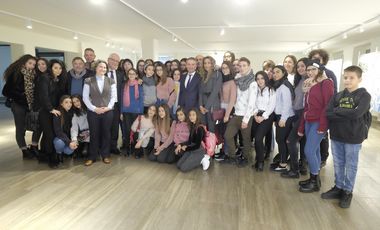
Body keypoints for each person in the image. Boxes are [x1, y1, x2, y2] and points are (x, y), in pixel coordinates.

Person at [322, 65, 371, 208]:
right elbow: (328, 112)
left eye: (352, 78)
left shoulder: (364, 96)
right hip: (336, 135)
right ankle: (338, 187)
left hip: (353, 137)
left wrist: (337, 111)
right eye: (345, 77)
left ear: (359, 79)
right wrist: (342, 112)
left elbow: (357, 114)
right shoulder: (337, 95)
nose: (347, 81)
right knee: (338, 163)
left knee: (351, 165)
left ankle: (347, 191)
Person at [297, 60, 334, 193]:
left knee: (309, 150)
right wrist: (301, 127)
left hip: (319, 122)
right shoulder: (310, 84)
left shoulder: (326, 83)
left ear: (319, 70)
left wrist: (323, 126)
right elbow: (306, 107)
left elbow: (327, 106)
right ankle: (315, 178)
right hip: (309, 121)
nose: (310, 72)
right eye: (308, 70)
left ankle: (314, 181)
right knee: (316, 150)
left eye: (313, 69)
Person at [2, 54, 39, 159]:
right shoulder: (16, 74)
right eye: (30, 63)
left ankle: (34, 147)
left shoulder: (34, 75)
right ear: (23, 63)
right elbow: (5, 91)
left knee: (36, 126)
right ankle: (24, 150)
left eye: (34, 64)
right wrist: (21, 95)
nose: (32, 66)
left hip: (31, 105)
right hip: (18, 105)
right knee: (20, 128)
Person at [224, 57, 257, 167]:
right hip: (237, 114)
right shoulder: (237, 79)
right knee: (228, 135)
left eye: (244, 65)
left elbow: (251, 103)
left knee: (246, 139)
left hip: (246, 116)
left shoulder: (253, 83)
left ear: (249, 66)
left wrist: (246, 119)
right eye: (240, 65)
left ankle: (246, 158)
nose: (242, 68)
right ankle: (232, 156)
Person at [83, 60, 117, 166]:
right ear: (95, 68)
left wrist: (108, 107)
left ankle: (105, 155)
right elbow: (85, 97)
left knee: (106, 133)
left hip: (107, 112)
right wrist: (94, 108)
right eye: (101, 67)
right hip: (93, 112)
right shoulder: (88, 80)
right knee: (94, 134)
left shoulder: (111, 81)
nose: (103, 69)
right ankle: (92, 156)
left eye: (105, 67)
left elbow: (114, 97)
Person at [309, 49, 338, 167]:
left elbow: (333, 93)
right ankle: (315, 161)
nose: (315, 61)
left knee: (323, 137)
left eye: (318, 59)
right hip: (312, 113)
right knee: (313, 144)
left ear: (323, 60)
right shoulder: (310, 73)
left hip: (323, 113)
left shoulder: (329, 74)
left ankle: (323, 158)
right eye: (313, 59)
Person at [281, 58, 309, 178]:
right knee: (301, 141)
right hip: (297, 113)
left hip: (304, 114)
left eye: (303, 66)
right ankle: (301, 167)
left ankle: (294, 170)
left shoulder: (309, 81)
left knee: (291, 140)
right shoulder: (299, 80)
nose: (300, 69)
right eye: (298, 67)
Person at [38, 59, 68, 168]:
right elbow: (43, 96)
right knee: (49, 134)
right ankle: (52, 157)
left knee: (50, 134)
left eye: (60, 68)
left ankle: (45, 154)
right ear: (51, 68)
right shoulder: (45, 78)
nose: (58, 70)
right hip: (46, 111)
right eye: (55, 68)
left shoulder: (58, 80)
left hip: (55, 111)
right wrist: (51, 109)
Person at [270, 65, 295, 172]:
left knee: (281, 140)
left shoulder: (284, 86)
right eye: (274, 72)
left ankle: (283, 164)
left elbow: (287, 104)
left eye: (278, 72)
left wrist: (283, 119)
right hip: (281, 116)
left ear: (284, 73)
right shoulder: (279, 84)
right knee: (282, 140)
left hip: (286, 116)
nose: (275, 74)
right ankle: (282, 160)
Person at [251, 71, 276, 171]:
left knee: (258, 138)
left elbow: (272, 106)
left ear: (266, 79)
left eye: (262, 78)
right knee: (256, 139)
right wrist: (256, 114)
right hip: (257, 115)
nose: (260, 81)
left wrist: (263, 116)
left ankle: (260, 162)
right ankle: (258, 159)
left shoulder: (271, 90)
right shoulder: (255, 90)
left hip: (267, 116)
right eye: (258, 79)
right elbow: (253, 103)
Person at [214, 61, 237, 161]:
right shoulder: (221, 80)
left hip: (229, 110)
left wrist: (227, 115)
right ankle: (223, 151)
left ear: (230, 68)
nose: (224, 70)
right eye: (223, 68)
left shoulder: (232, 82)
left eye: (226, 68)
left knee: (227, 134)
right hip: (221, 110)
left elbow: (232, 100)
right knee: (222, 132)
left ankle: (228, 154)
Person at [120, 68, 144, 156]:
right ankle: (127, 149)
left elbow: (141, 100)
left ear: (136, 75)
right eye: (130, 73)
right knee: (126, 131)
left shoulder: (139, 85)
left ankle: (136, 149)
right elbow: (122, 99)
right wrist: (121, 112)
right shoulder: (124, 85)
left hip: (136, 112)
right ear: (127, 75)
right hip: (126, 111)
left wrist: (141, 113)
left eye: (133, 74)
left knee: (135, 131)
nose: (131, 75)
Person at [199, 56, 223, 133]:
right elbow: (200, 92)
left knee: (212, 127)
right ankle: (205, 144)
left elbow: (215, 92)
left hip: (213, 104)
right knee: (204, 127)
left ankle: (212, 144)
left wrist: (206, 107)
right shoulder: (202, 75)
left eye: (209, 63)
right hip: (203, 105)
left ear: (212, 64)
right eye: (205, 63)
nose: (206, 65)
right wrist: (200, 105)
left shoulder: (217, 74)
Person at [107, 53, 123, 155]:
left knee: (115, 127)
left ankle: (113, 146)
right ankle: (105, 147)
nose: (115, 62)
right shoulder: (102, 73)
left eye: (117, 61)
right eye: (113, 60)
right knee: (105, 126)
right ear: (108, 60)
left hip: (117, 105)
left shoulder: (120, 74)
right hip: (105, 105)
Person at [53, 95, 76, 164]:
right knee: (59, 143)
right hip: (60, 138)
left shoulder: (72, 113)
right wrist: (69, 142)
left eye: (70, 102)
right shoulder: (58, 114)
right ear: (61, 104)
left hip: (68, 139)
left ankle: (64, 153)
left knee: (70, 151)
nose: (69, 104)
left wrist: (73, 141)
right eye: (66, 102)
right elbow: (58, 132)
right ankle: (59, 154)